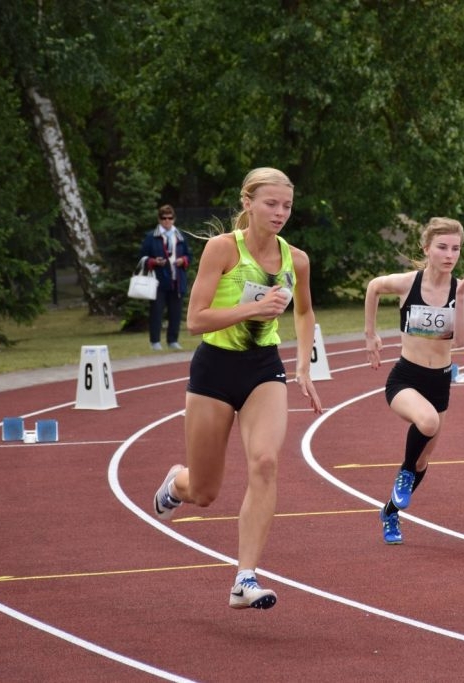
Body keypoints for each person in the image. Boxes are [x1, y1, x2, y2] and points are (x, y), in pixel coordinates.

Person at [151, 167, 323, 610]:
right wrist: (252, 308)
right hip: (214, 370)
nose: (280, 212)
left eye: (286, 205)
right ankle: (176, 485)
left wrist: (303, 363)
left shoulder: (296, 259)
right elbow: (195, 320)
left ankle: (244, 577)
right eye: (271, 203)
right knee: (205, 493)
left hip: (263, 368)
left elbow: (304, 313)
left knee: (265, 463)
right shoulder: (222, 249)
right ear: (247, 202)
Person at [364, 218, 464, 544]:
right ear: (426, 248)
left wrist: (461, 296)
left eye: (455, 248)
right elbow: (373, 286)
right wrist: (370, 335)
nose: (449, 254)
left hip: (440, 381)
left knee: (424, 458)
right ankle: (404, 471)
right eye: (442, 247)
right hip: (405, 378)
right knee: (426, 423)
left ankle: (390, 513)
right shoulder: (407, 283)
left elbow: (463, 342)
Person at [139, 205, 192, 350]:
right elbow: (142, 257)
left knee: (175, 312)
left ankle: (173, 340)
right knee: (156, 311)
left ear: (174, 219)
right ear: (159, 219)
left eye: (170, 218)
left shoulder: (179, 235)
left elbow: (189, 255)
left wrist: (183, 260)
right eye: (164, 218)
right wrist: (154, 261)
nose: (167, 221)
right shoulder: (152, 236)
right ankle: (155, 341)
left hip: (177, 280)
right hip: (158, 281)